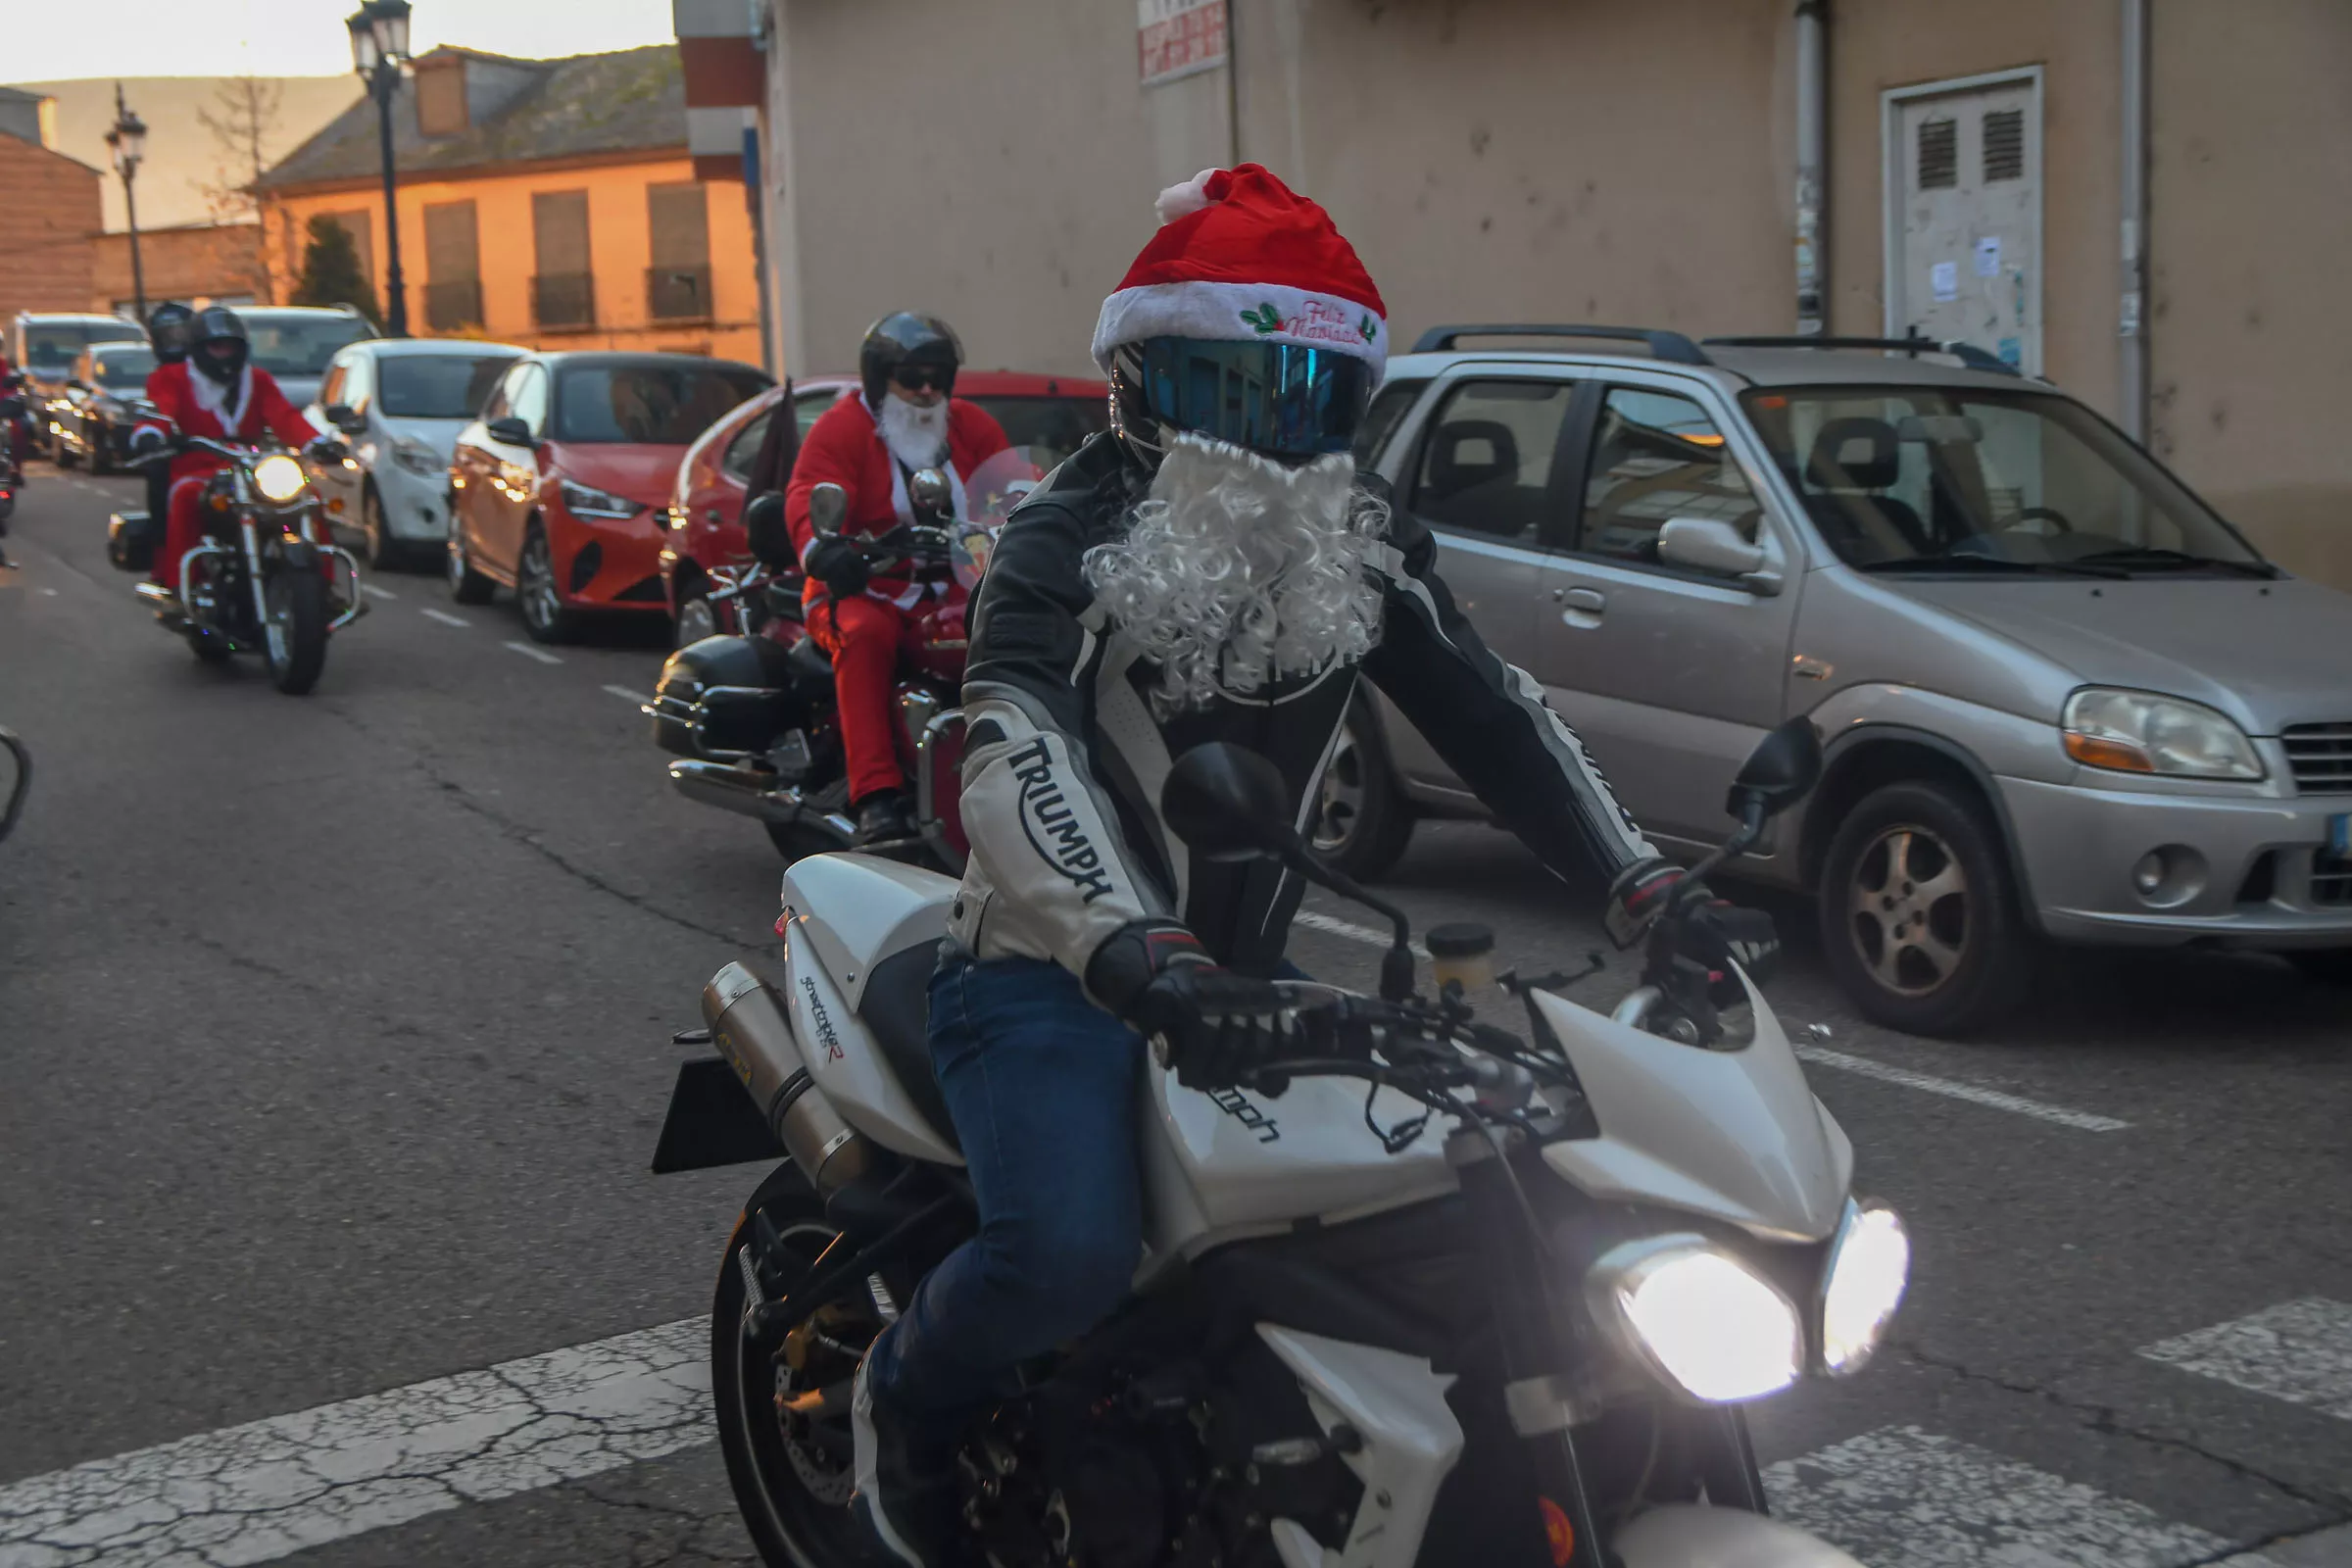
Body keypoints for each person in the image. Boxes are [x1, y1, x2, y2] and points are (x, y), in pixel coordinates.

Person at [848, 165, 1782, 1568]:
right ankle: (902, 1413)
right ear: (1147, 387)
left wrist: (1645, 885)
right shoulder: (1063, 537)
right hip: (1055, 977)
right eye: (1237, 392)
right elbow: (1012, 746)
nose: (1271, 440)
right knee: (1071, 1256)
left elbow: (1491, 709)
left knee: (1464, 1217)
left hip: (1249, 978)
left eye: (1307, 400)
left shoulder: (1354, 544)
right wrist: (1129, 947)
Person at [785, 314, 1008, 847]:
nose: (927, 390)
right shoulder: (842, 428)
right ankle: (876, 794)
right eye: (912, 378)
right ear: (880, 378)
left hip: (956, 587)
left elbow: (1011, 489)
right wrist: (825, 549)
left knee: (1014, 628)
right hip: (865, 588)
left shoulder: (971, 427)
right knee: (864, 636)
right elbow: (808, 492)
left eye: (938, 378)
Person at [130, 306, 343, 592]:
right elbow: (161, 410)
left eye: (231, 346)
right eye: (216, 347)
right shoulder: (172, 377)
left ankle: (324, 587)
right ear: (199, 348)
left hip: (253, 467)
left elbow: (284, 416)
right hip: (199, 467)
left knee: (308, 497)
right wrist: (151, 433)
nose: (225, 354)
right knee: (185, 496)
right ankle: (183, 584)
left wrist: (317, 442)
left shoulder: (258, 379)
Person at [136, 303, 195, 544]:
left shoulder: (246, 374)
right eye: (167, 335)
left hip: (234, 456)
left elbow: (280, 413)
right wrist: (152, 434)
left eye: (180, 333)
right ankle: (165, 554)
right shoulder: (164, 376)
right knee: (160, 476)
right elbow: (161, 407)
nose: (175, 341)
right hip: (185, 453)